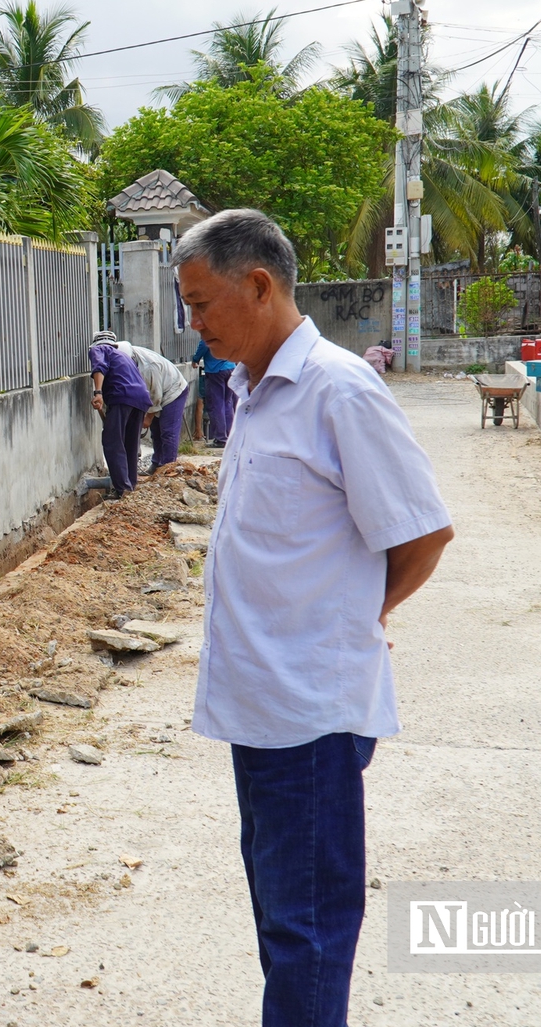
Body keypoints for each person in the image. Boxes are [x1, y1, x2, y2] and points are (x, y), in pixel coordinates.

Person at [173, 209, 455, 1027]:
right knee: (280, 919)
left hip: (309, 715)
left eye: (200, 303)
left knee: (309, 933)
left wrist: (359, 618)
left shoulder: (337, 387)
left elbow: (422, 531)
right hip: (259, 707)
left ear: (258, 286)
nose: (193, 325)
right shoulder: (250, 390)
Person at [88, 329, 149, 496]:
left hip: (122, 396)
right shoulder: (124, 356)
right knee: (130, 443)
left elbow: (99, 367)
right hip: (141, 398)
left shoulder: (99, 350)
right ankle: (129, 486)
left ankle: (122, 488)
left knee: (112, 441)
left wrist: (98, 393)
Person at [117, 339, 190, 472]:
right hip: (158, 391)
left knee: (168, 432)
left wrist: (148, 418)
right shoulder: (126, 359)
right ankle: (157, 464)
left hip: (173, 391)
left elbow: (155, 396)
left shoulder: (148, 367)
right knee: (156, 432)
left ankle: (168, 468)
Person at [191, 337, 237, 447]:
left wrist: (195, 359)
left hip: (215, 370)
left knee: (217, 404)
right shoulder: (227, 330)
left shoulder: (211, 329)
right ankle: (229, 436)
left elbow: (203, 344)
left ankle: (221, 438)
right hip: (231, 368)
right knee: (227, 403)